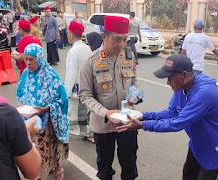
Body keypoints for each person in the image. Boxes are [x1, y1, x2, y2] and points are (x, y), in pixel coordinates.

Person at [117, 54, 218, 180]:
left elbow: (177, 123)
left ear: (184, 75)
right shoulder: (182, 87)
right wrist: (142, 116)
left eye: (170, 78)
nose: (168, 82)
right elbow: (171, 113)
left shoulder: (204, 93)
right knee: (188, 175)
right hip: (198, 143)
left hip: (216, 148)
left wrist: (143, 125)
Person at [78, 16, 139, 180]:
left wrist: (134, 98)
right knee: (104, 169)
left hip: (127, 122)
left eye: (125, 39)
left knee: (130, 165)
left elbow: (134, 81)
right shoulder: (90, 62)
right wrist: (106, 113)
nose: (121, 44)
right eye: (117, 39)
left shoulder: (128, 56)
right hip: (102, 126)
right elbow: (85, 95)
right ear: (104, 36)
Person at [0, 55, 42, 179]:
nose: (28, 63)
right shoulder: (3, 114)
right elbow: (32, 171)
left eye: (31, 59)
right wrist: (26, 134)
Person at [17, 43, 69, 180]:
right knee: (36, 150)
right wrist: (21, 103)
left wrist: (45, 109)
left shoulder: (51, 75)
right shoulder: (25, 74)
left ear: (39, 58)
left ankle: (56, 166)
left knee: (51, 147)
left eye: (31, 59)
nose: (28, 63)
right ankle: (39, 174)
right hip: (30, 120)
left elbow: (62, 100)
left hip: (48, 121)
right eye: (26, 59)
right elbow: (21, 93)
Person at [64, 22, 93, 142]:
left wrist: (67, 93)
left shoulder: (73, 51)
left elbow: (71, 74)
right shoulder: (87, 47)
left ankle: (82, 133)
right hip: (87, 85)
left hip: (76, 86)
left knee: (75, 111)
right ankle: (88, 133)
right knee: (85, 111)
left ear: (71, 34)